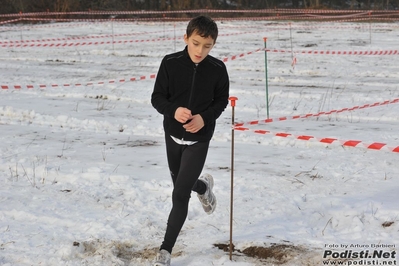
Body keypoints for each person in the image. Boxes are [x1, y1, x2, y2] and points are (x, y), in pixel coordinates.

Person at [150, 15, 230, 266]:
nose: (200, 51)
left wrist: (204, 119)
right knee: (181, 187)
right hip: (173, 136)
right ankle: (203, 188)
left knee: (179, 194)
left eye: (207, 46)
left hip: (199, 139)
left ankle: (165, 251)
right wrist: (173, 111)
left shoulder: (218, 69)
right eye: (196, 43)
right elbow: (157, 98)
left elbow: (221, 102)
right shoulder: (170, 63)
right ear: (186, 38)